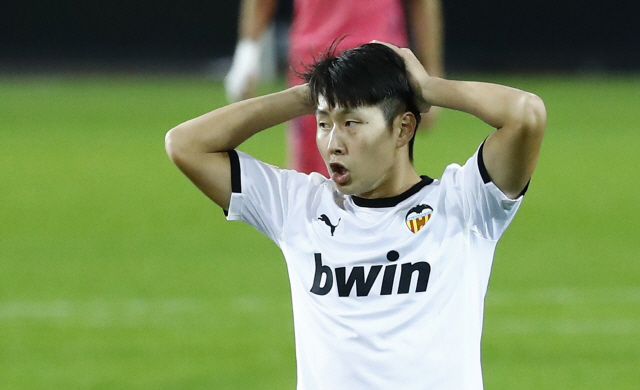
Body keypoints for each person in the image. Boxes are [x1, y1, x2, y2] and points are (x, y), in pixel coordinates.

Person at [166, 42, 546, 389]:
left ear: (403, 128)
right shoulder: (298, 207)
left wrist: (428, 88)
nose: (333, 143)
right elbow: (185, 144)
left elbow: (525, 114)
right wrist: (310, 94)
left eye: (351, 123)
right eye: (323, 124)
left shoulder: (464, 204)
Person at [224, 0, 444, 176]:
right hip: (313, 62)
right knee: (311, 179)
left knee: (378, 174)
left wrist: (430, 74)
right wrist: (247, 52)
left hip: (377, 58)